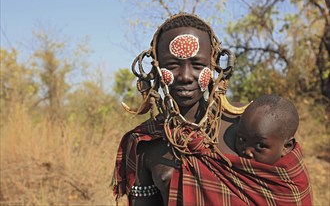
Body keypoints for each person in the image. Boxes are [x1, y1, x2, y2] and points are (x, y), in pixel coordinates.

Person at [112, 13, 312, 206]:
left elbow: (288, 193)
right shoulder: (145, 143)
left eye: (198, 65)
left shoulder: (247, 132)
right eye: (172, 65)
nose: (185, 76)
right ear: (155, 69)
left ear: (215, 65)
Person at [234, 94, 298, 165]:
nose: (247, 152)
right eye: (242, 139)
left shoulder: (291, 174)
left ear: (287, 147)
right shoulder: (228, 164)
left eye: (260, 146)